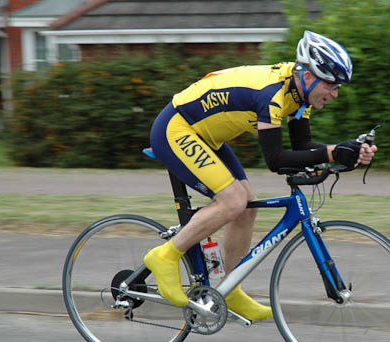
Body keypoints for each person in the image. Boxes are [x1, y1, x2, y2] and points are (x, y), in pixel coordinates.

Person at [144, 31, 377, 320]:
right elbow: (276, 160)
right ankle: (165, 256)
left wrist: (347, 152)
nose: (335, 93)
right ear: (308, 76)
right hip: (176, 129)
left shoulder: (298, 97)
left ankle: (229, 288)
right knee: (232, 201)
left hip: (207, 138)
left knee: (246, 208)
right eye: (331, 84)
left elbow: (303, 147)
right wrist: (331, 153)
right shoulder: (272, 94)